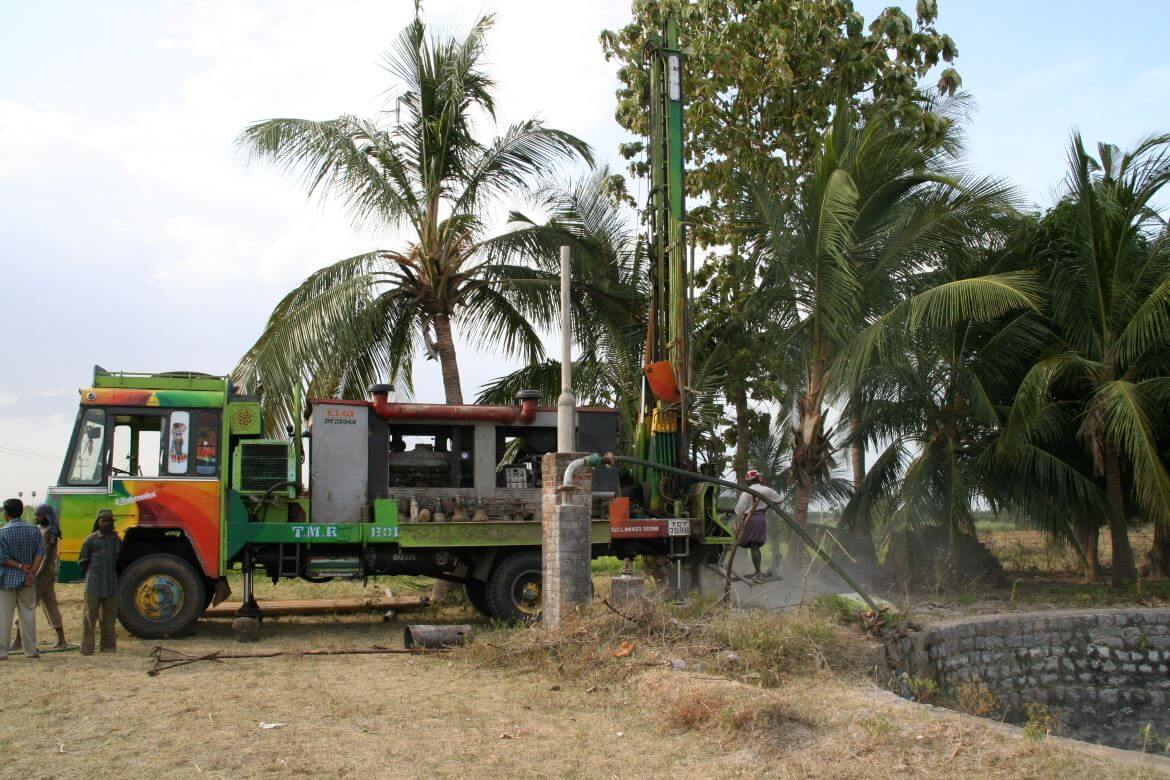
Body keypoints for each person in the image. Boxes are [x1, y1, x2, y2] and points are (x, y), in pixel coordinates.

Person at [12, 504, 67, 650]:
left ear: (46, 516)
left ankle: (18, 641)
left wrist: (35, 574)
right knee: (50, 603)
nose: (36, 517)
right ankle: (61, 639)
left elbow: (46, 556)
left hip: (43, 572)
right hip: (45, 572)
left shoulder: (51, 532)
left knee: (28, 603)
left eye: (39, 515)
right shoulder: (43, 530)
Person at [0, 498, 45, 660]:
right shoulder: (34, 530)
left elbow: (2, 558)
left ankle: (2, 652)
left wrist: (19, 566)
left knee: (4, 616)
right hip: (28, 579)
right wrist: (32, 572)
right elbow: (41, 552)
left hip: (7, 580)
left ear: (6, 514)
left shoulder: (2, 532)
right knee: (28, 614)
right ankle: (31, 650)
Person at [78, 509, 121, 655]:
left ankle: (108, 646)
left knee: (109, 618)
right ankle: (87, 648)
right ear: (98, 522)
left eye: (109, 521)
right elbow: (83, 562)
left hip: (111, 584)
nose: (106, 523)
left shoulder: (116, 540)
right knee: (90, 617)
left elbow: (120, 561)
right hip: (93, 584)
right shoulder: (90, 540)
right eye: (104, 520)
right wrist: (90, 576)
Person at [732, 469, 783, 583]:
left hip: (751, 519)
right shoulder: (767, 490)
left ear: (749, 481)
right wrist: (766, 506)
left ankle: (758, 573)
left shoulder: (746, 493)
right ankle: (758, 572)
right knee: (755, 544)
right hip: (761, 518)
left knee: (753, 545)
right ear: (758, 478)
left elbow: (738, 511)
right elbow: (780, 499)